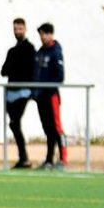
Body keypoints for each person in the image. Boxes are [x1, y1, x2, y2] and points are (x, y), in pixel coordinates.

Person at [0, 18, 36, 169]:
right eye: (15, 29)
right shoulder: (12, 50)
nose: (17, 31)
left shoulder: (29, 48)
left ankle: (24, 157)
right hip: (11, 92)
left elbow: (29, 70)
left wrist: (15, 69)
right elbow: (4, 70)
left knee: (14, 123)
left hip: (23, 92)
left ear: (25, 29)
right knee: (14, 124)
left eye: (20, 29)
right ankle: (23, 157)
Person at [34, 22, 67, 170]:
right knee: (47, 129)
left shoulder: (56, 52)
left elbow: (60, 76)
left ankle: (63, 159)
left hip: (51, 96)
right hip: (40, 97)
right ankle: (49, 160)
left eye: (45, 34)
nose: (42, 37)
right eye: (41, 34)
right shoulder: (40, 52)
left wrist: (46, 87)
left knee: (56, 128)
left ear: (50, 34)